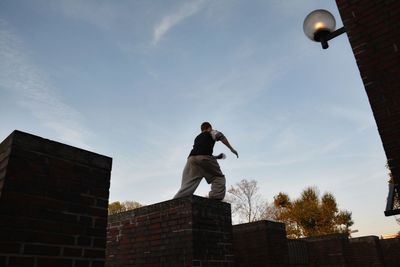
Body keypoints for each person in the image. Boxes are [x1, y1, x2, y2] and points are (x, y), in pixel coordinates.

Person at [174, 122, 238, 200]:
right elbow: (220, 136)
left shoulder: (197, 137)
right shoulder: (211, 131)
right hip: (204, 158)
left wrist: (217, 157)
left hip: (191, 159)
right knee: (218, 177)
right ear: (209, 127)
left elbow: (200, 153)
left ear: (201, 130)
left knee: (187, 186)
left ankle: (175, 203)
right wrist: (231, 149)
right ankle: (215, 199)